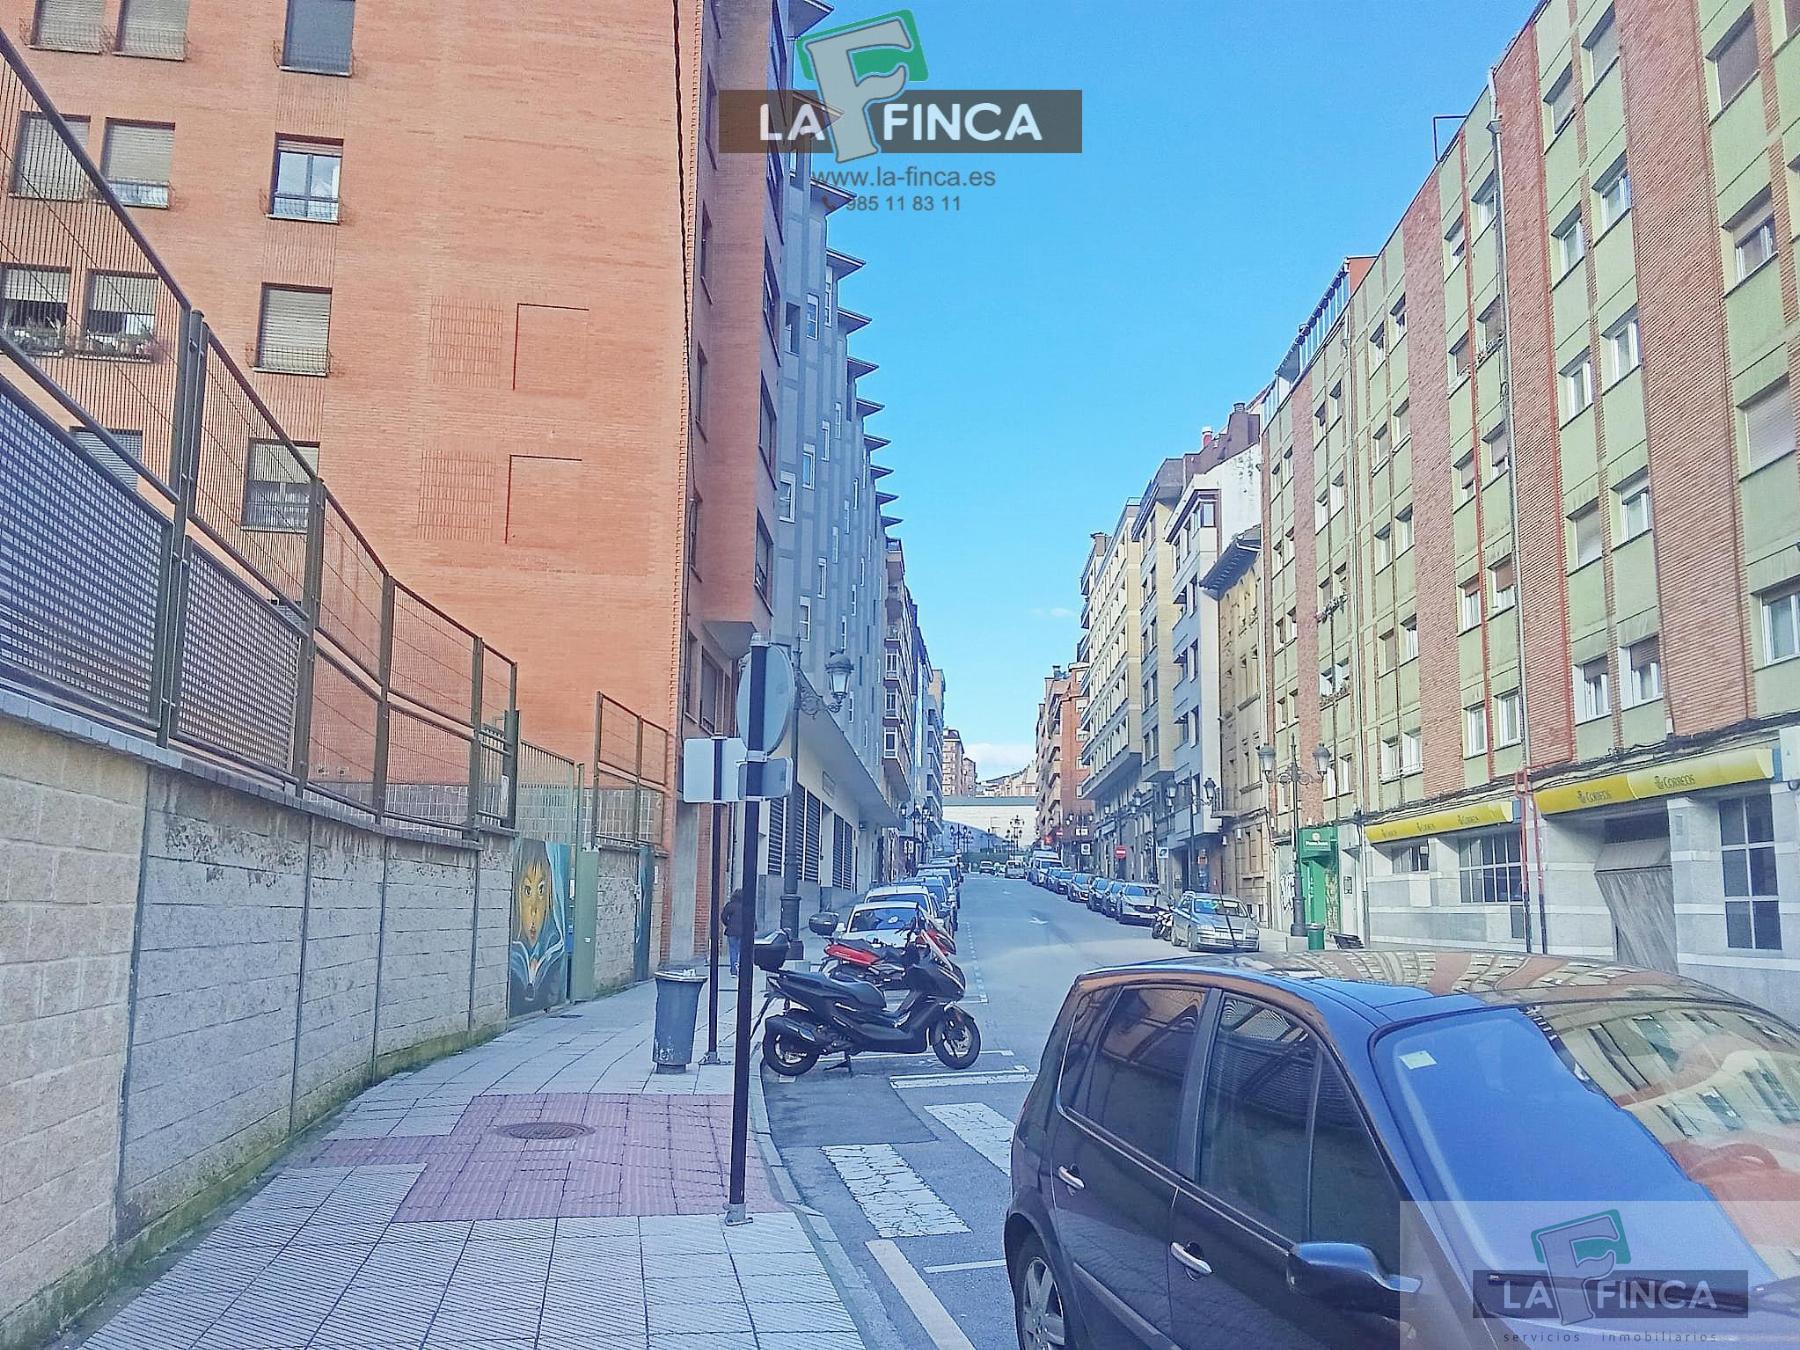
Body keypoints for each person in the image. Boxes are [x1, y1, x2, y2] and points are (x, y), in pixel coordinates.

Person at [720, 887, 746, 978]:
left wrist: (728, 924)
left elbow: (723, 916)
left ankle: (733, 970)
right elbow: (752, 917)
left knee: (733, 950)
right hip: (743, 931)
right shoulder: (746, 905)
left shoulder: (730, 905)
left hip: (731, 931)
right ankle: (741, 968)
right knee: (741, 950)